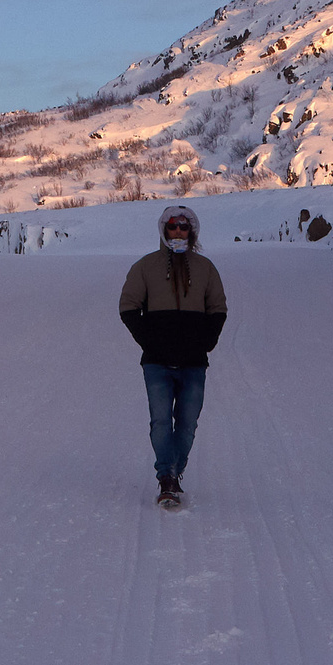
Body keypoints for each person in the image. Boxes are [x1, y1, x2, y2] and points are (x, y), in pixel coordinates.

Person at [118, 203, 229, 509]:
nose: (178, 231)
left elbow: (217, 308)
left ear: (191, 231)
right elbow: (128, 306)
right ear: (163, 229)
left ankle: (175, 469)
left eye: (184, 227)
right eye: (173, 226)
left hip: (194, 362)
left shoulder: (206, 268)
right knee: (160, 423)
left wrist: (206, 341)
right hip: (157, 362)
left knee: (188, 423)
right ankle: (167, 476)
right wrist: (149, 341)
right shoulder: (146, 266)